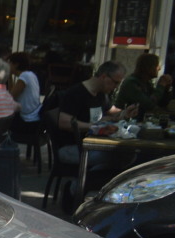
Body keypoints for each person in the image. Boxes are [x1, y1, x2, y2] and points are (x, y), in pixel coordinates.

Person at [49, 60, 138, 193]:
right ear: (103, 76)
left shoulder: (101, 94)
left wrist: (125, 113)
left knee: (128, 155)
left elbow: (111, 111)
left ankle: (86, 186)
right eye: (115, 82)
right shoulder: (76, 93)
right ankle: (75, 189)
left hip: (91, 146)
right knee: (118, 157)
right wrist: (94, 126)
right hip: (71, 148)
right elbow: (64, 122)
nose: (116, 86)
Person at [7, 51, 43, 152]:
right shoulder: (30, 75)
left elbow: (10, 97)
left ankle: (1, 152)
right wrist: (9, 76)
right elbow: (12, 92)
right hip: (34, 119)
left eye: (9, 62)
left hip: (27, 122)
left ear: (16, 64)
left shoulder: (24, 77)